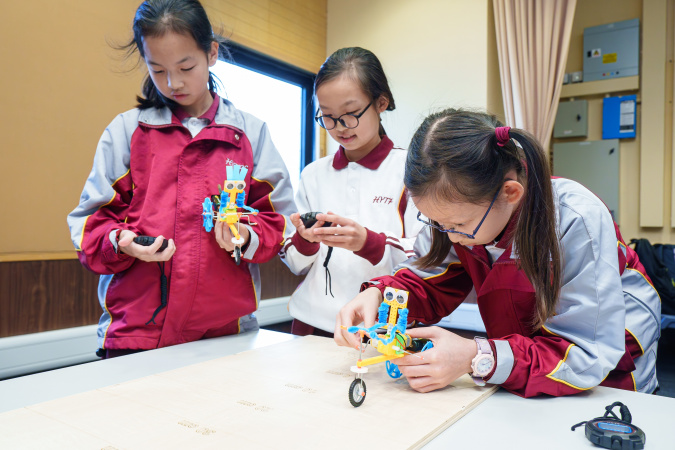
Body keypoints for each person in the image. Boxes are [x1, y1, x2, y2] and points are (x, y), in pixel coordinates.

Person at [335, 108, 660, 397]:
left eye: (457, 225)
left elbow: (586, 356)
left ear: (510, 192)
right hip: (527, 358)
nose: (447, 235)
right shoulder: (460, 217)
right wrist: (381, 294)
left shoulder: (576, 218)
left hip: (609, 367)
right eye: (435, 222)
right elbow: (427, 278)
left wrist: (476, 355)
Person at [67, 0, 295, 358]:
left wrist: (247, 235)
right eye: (157, 70)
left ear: (212, 53)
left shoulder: (249, 134)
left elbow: (280, 223)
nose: (173, 83)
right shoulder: (127, 132)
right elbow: (88, 227)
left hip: (227, 335)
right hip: (136, 335)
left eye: (186, 66)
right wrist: (121, 242)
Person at [280, 47, 422, 337]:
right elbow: (294, 262)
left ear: (381, 102)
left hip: (384, 326)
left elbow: (426, 257)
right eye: (328, 116)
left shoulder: (413, 169)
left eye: (350, 114)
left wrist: (368, 242)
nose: (339, 128)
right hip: (310, 324)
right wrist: (305, 241)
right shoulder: (313, 174)